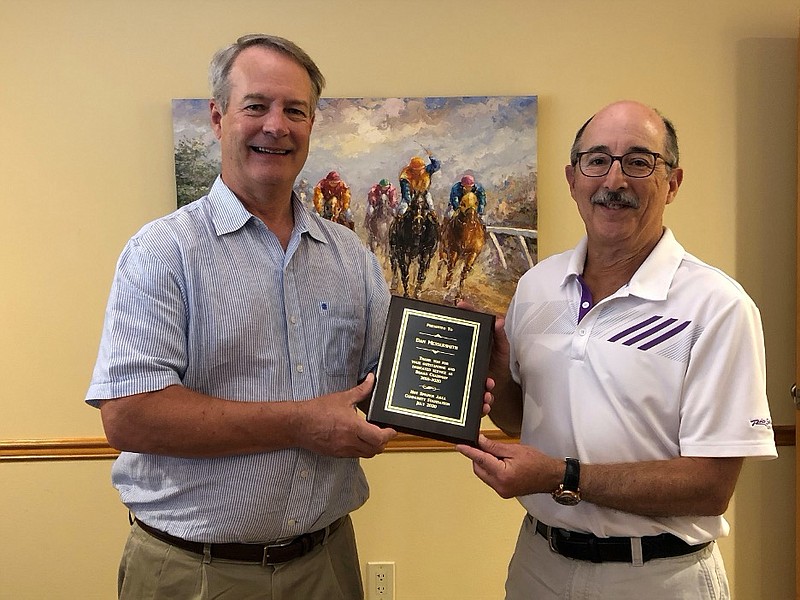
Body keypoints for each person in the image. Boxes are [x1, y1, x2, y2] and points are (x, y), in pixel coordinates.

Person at [86, 34, 397, 600]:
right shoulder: (163, 252)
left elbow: (387, 381)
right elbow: (129, 417)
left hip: (327, 565)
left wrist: (465, 366)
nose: (276, 125)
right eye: (256, 106)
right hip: (192, 573)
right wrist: (303, 421)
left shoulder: (351, 256)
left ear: (310, 125)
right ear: (218, 117)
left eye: (295, 110)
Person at [457, 100, 777, 599]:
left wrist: (562, 476)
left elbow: (711, 487)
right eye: (597, 160)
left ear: (673, 182)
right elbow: (522, 423)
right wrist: (498, 375)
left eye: (638, 162)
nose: (614, 180)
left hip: (658, 576)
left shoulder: (718, 306)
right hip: (538, 565)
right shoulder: (537, 286)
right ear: (572, 177)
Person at [397, 152, 440, 217]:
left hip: (424, 192)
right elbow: (405, 191)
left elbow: (436, 165)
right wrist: (409, 201)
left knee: (431, 206)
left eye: (421, 169)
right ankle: (397, 222)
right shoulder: (405, 176)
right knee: (403, 209)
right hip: (410, 194)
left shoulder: (426, 170)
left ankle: (436, 224)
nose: (420, 171)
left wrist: (432, 157)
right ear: (412, 169)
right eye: (417, 170)